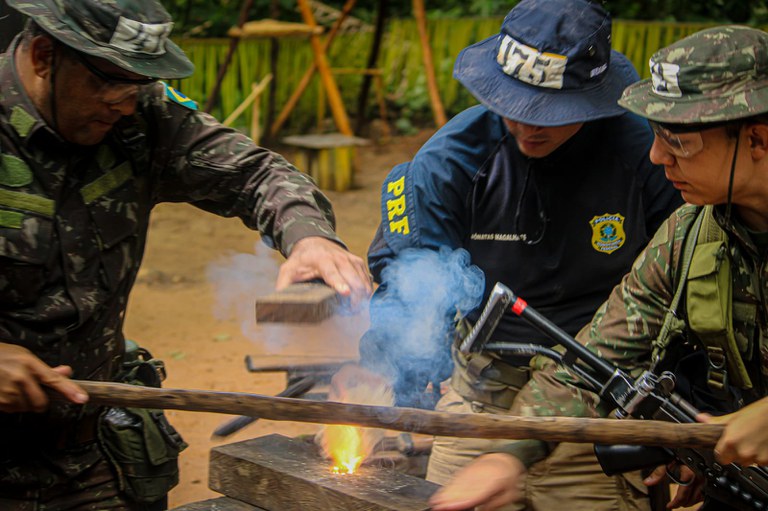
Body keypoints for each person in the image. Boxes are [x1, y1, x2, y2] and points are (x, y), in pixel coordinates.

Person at [0, 0, 372, 509]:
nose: (128, 105)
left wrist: (309, 237)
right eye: (111, 82)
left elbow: (256, 173)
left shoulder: (140, 109)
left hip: (95, 459)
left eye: (138, 84)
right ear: (44, 56)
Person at [347, 0, 682, 509]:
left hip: (595, 409)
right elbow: (411, 279)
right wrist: (399, 375)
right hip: (481, 397)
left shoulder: (649, 158)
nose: (527, 125)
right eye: (513, 105)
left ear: (593, 94)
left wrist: (665, 421)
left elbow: (682, 293)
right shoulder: (447, 162)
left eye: (550, 112)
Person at [430, 24, 768, 511]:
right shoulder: (689, 237)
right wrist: (510, 455)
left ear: (756, 138)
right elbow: (593, 358)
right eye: (655, 135)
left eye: (679, 140)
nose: (656, 157)